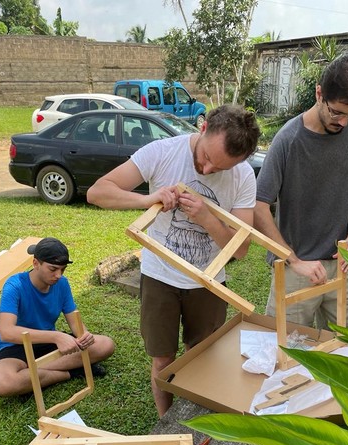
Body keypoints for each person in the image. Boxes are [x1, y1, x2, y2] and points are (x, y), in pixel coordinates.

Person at [87, 104, 260, 416]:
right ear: (203, 127)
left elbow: (241, 249)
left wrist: (208, 218)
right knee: (162, 360)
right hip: (160, 277)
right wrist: (147, 199)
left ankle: (193, 419)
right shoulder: (161, 152)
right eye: (207, 158)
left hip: (208, 281)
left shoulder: (243, 176)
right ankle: (165, 420)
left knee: (201, 357)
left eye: (218, 169)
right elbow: (98, 192)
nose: (207, 170)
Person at [255, 52, 348, 329]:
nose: (344, 122)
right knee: (285, 352)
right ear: (319, 93)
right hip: (297, 269)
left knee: (347, 355)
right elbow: (259, 206)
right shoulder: (288, 140)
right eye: (336, 112)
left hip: (347, 265)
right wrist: (294, 260)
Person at [0, 237, 115, 397]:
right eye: (53, 269)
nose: (58, 275)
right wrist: (55, 336)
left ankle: (31, 375)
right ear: (36, 263)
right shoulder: (15, 285)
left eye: (62, 269)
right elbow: (7, 332)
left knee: (105, 344)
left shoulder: (62, 284)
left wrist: (84, 336)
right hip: (16, 346)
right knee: (2, 384)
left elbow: (75, 322)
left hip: (49, 344)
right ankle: (70, 373)